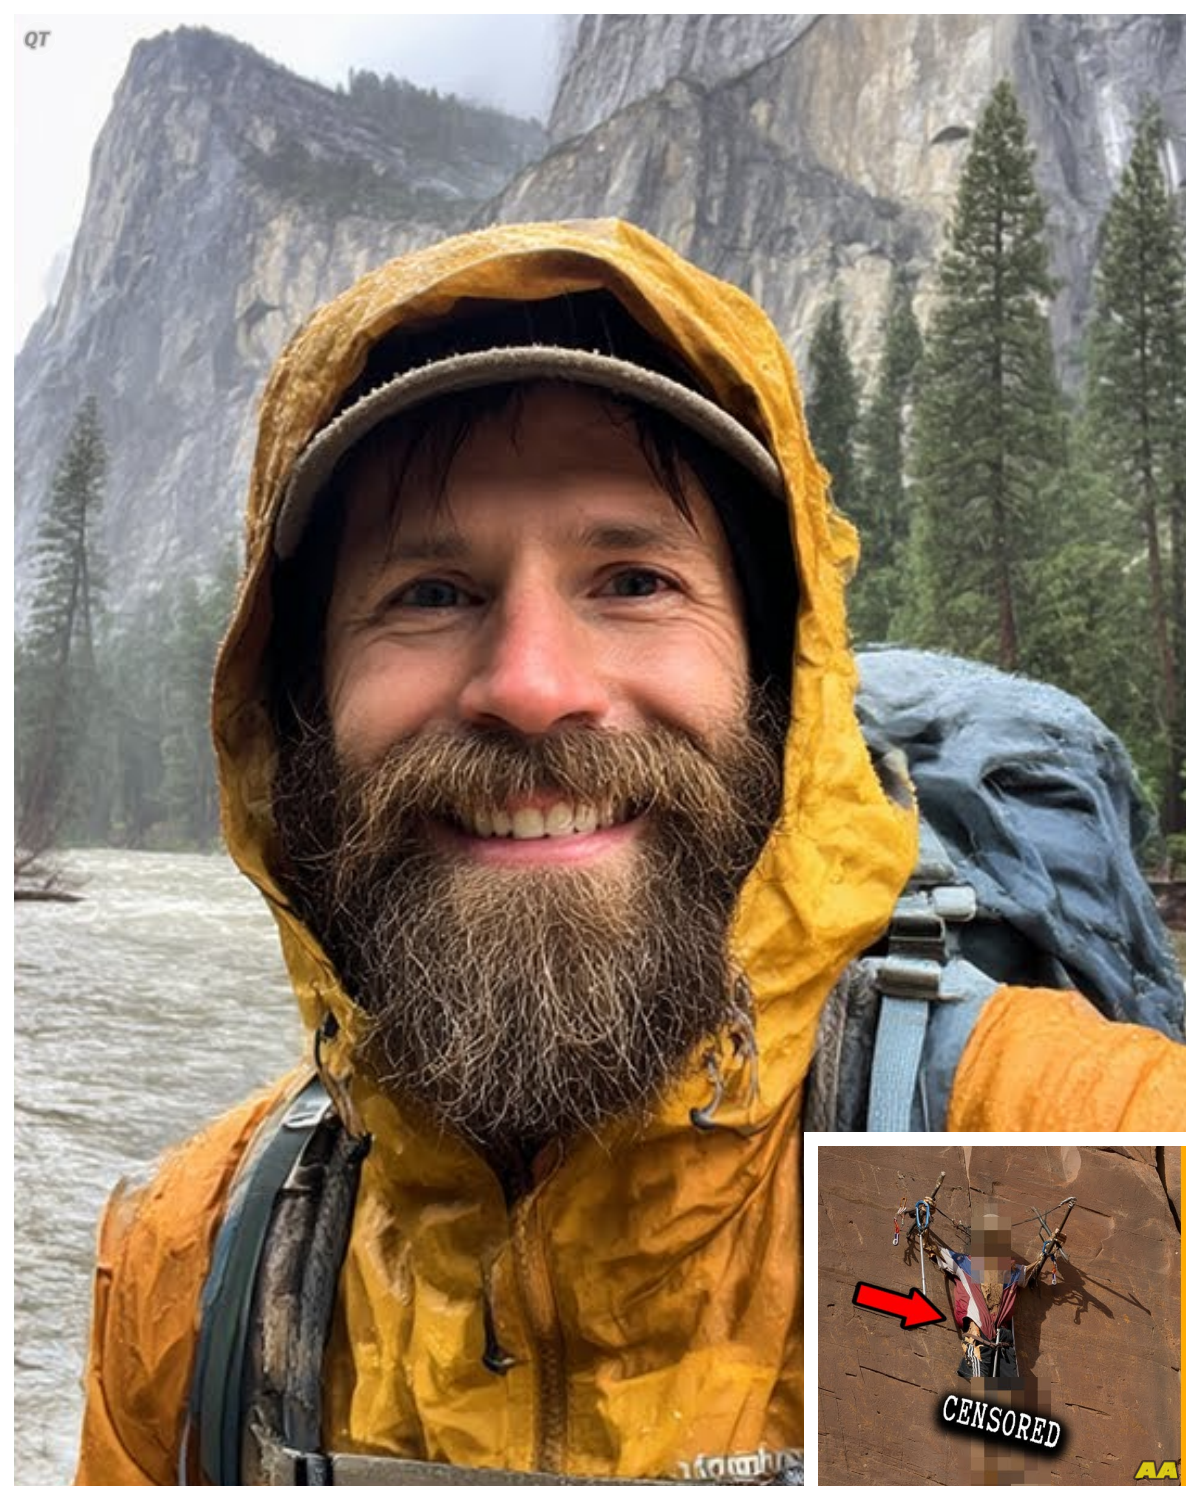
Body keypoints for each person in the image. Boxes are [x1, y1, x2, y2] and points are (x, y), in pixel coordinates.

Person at [75, 219, 1184, 1485]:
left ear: (780, 681)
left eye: (634, 580)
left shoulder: (1076, 1167)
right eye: (429, 593)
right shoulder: (190, 1273)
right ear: (300, 711)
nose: (532, 686)